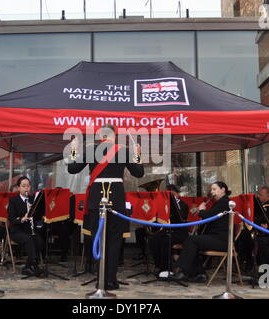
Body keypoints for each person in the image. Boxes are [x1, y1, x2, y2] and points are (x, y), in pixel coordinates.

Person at [67, 124, 144, 290]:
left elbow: (72, 169)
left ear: (99, 134)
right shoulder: (123, 150)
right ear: (114, 135)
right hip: (116, 199)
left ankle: (100, 279)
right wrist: (138, 155)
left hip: (96, 198)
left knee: (98, 239)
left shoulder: (90, 150)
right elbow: (139, 173)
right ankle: (111, 279)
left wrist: (73, 151)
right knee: (115, 241)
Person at [172, 181, 231, 283]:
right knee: (191, 242)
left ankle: (182, 270)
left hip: (222, 240)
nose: (212, 192)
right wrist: (201, 212)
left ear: (223, 190)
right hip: (215, 238)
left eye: (214, 189)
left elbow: (209, 217)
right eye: (211, 190)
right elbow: (210, 217)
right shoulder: (218, 203)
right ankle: (199, 274)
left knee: (191, 240)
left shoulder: (225, 202)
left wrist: (202, 210)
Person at [7, 176, 45, 277]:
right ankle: (33, 265)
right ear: (18, 188)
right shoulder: (13, 200)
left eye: (28, 186)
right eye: (23, 186)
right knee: (29, 239)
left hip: (30, 230)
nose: (26, 188)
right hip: (17, 231)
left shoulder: (33, 199)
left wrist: (35, 212)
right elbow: (11, 218)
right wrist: (22, 219)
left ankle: (29, 266)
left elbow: (38, 216)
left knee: (39, 241)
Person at [148, 184, 189, 276]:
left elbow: (181, 219)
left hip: (179, 233)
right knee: (153, 240)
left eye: (173, 194)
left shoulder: (183, 205)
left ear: (177, 194)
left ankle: (167, 268)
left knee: (165, 241)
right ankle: (158, 265)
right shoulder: (164, 205)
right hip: (167, 231)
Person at [237, 186, 269, 273]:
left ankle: (249, 263)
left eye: (261, 195)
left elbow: (268, 222)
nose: (258, 196)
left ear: (268, 196)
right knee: (243, 234)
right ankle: (244, 261)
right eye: (258, 194)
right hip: (258, 229)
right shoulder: (262, 205)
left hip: (266, 232)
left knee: (247, 236)